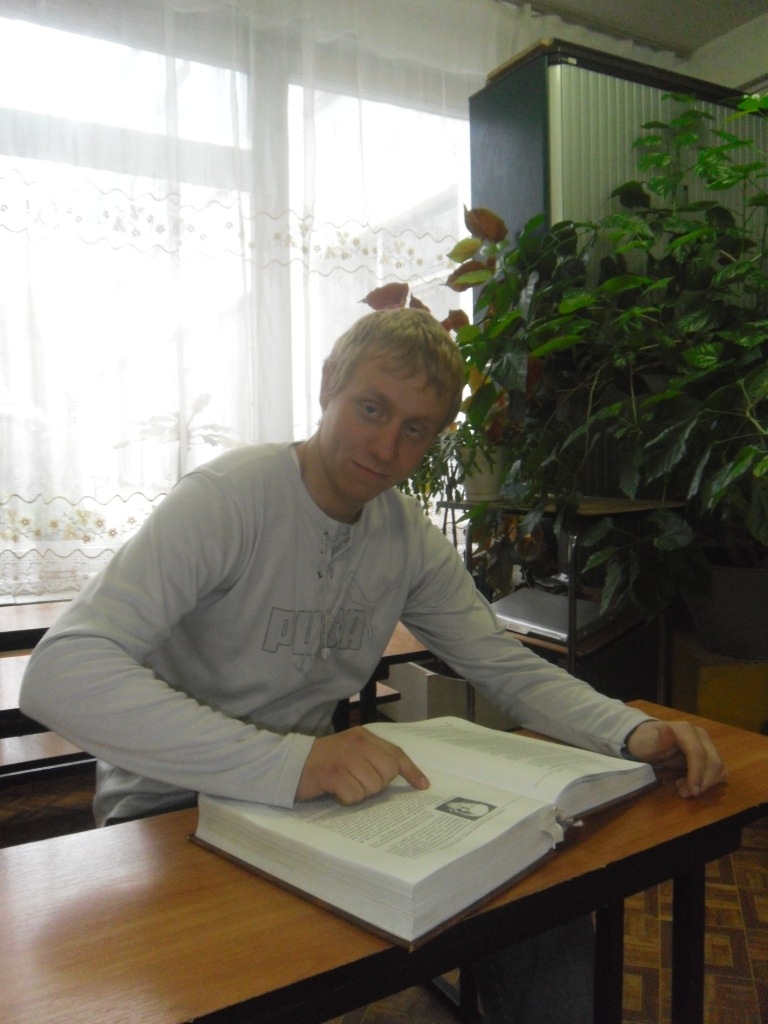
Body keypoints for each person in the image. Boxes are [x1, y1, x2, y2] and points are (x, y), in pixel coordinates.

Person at [21, 307, 726, 1024]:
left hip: (307, 800)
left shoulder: (404, 536)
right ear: (328, 384)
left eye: (415, 429)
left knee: (539, 904)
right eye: (371, 408)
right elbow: (60, 675)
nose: (387, 447)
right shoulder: (229, 498)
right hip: (169, 806)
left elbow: (501, 664)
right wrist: (294, 764)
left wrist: (629, 730)